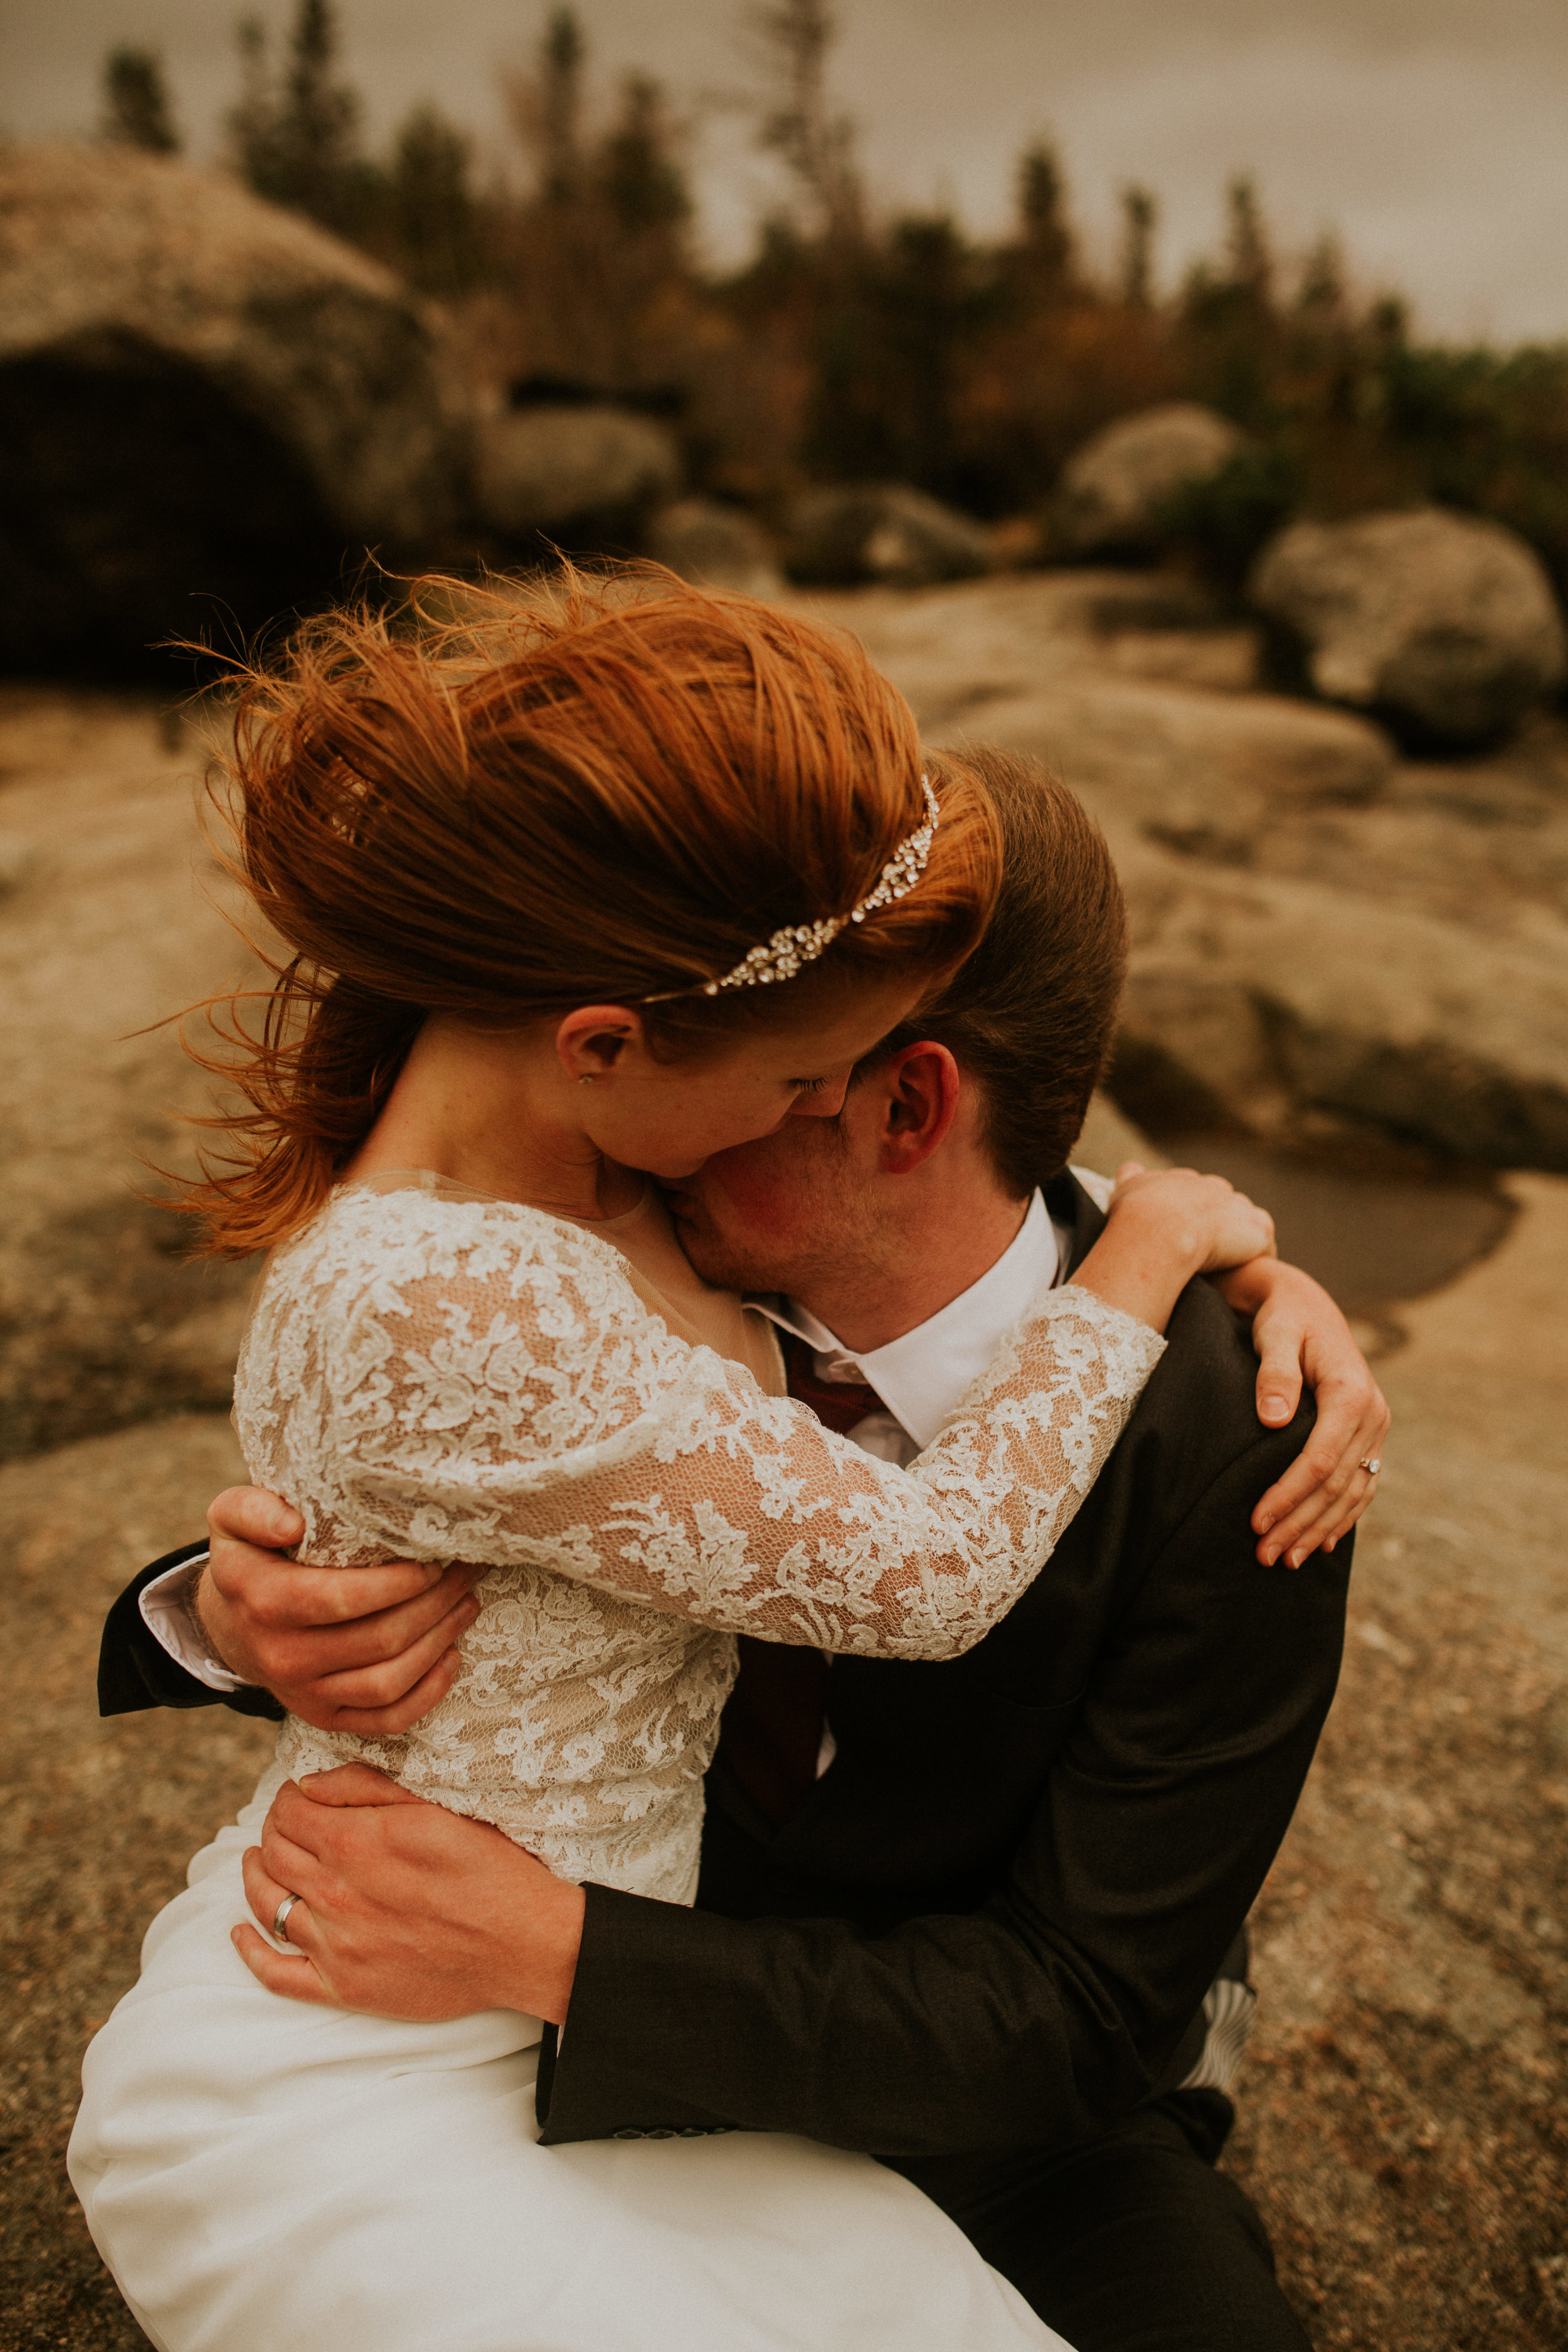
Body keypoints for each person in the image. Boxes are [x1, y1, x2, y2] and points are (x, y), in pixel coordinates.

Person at [68, 574, 1303, 2352]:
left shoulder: (1225, 1423)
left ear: (911, 1107)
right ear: (612, 1049)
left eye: (826, 1089)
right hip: (463, 2047)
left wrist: (1213, 1261)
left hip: (980, 2082)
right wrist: (229, 1611)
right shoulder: (587, 1205)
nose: (787, 1111)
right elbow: (463, 1429)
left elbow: (1077, 2007)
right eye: (784, 1076)